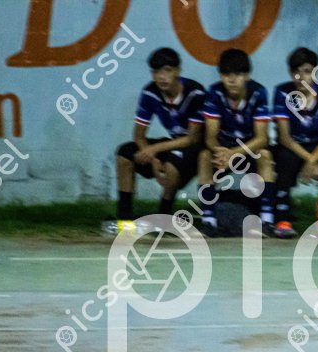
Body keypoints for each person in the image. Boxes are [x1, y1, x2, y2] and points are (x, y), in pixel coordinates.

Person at [114, 47, 205, 222]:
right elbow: (139, 135)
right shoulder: (150, 92)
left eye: (167, 71)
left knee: (171, 165)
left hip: (196, 149)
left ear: (178, 71)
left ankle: (164, 216)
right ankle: (124, 218)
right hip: (173, 144)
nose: (161, 77)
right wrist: (153, 159)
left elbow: (192, 138)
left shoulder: (195, 93)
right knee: (124, 154)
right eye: (156, 72)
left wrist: (154, 149)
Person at [199, 48, 275, 235]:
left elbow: (262, 138)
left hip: (248, 151)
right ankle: (208, 221)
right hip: (223, 151)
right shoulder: (214, 92)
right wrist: (221, 153)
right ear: (221, 76)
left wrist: (233, 154)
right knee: (204, 156)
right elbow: (210, 136)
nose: (232, 80)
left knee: (265, 155)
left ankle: (267, 220)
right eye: (227, 74)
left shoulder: (258, 93)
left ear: (247, 76)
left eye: (238, 74)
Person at [271, 47, 318, 238]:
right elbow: (284, 137)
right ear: (290, 73)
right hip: (292, 147)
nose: (301, 77)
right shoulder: (282, 92)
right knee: (283, 158)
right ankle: (283, 220)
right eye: (296, 72)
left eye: (307, 71)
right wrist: (310, 161)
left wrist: (313, 159)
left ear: (315, 72)